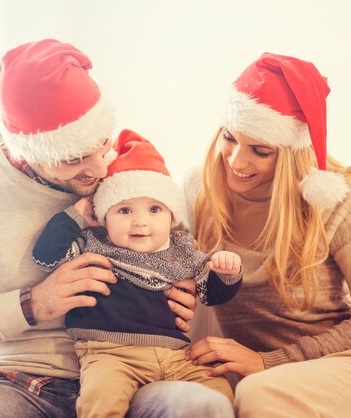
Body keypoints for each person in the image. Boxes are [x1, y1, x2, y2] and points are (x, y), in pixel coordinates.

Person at [0, 39, 233, 418]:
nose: (99, 171)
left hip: (141, 374)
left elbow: (179, 247)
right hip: (21, 382)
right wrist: (33, 304)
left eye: (101, 146)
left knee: (202, 406)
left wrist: (182, 292)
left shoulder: (127, 167)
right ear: (27, 151)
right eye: (73, 160)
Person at [185, 53, 351, 417]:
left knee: (259, 395)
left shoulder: (334, 197)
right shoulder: (200, 192)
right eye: (229, 137)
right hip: (267, 380)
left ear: (290, 153)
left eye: (260, 150)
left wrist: (269, 362)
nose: (236, 161)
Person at [32, 129, 242, 417]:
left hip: (176, 356)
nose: (141, 222)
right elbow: (46, 256)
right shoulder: (94, 244)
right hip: (111, 354)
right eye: (125, 211)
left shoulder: (182, 250)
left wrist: (227, 270)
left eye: (154, 209)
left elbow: (212, 294)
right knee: (100, 398)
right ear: (104, 217)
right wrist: (79, 213)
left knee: (217, 390)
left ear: (172, 216)